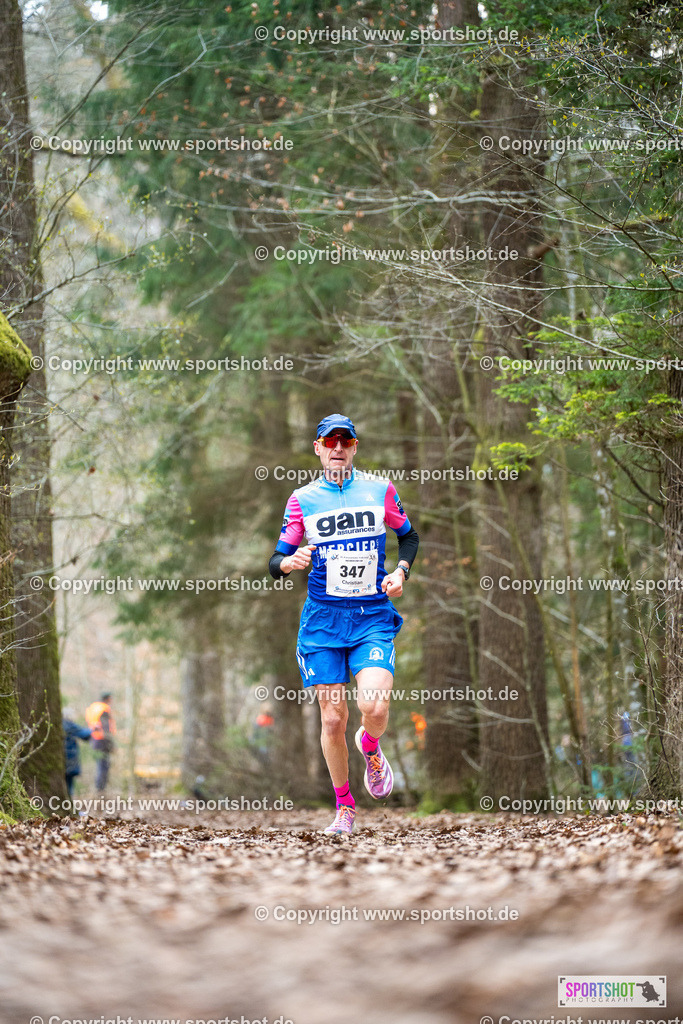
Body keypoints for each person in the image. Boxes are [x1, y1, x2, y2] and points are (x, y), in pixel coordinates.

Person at [268, 414, 419, 835]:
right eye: (329, 441)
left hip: (370, 614)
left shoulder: (379, 489)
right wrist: (289, 562)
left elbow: (409, 536)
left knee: (374, 706)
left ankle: (369, 745)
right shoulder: (302, 499)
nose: (338, 447)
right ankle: (345, 806)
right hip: (322, 621)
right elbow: (275, 562)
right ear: (317, 447)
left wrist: (401, 572)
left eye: (345, 441)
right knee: (333, 718)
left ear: (354, 447)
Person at [85, 693, 116, 792]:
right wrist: (111, 744)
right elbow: (106, 729)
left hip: (94, 739)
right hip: (103, 741)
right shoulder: (104, 710)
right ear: (107, 699)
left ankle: (99, 787)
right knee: (103, 766)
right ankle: (101, 789)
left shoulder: (94, 708)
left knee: (100, 765)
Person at [62, 708, 91, 798]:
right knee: (69, 784)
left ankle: (67, 803)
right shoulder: (69, 725)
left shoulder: (62, 724)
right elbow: (84, 734)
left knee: (65, 782)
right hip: (69, 758)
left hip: (63, 758)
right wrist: (93, 729)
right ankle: (68, 804)